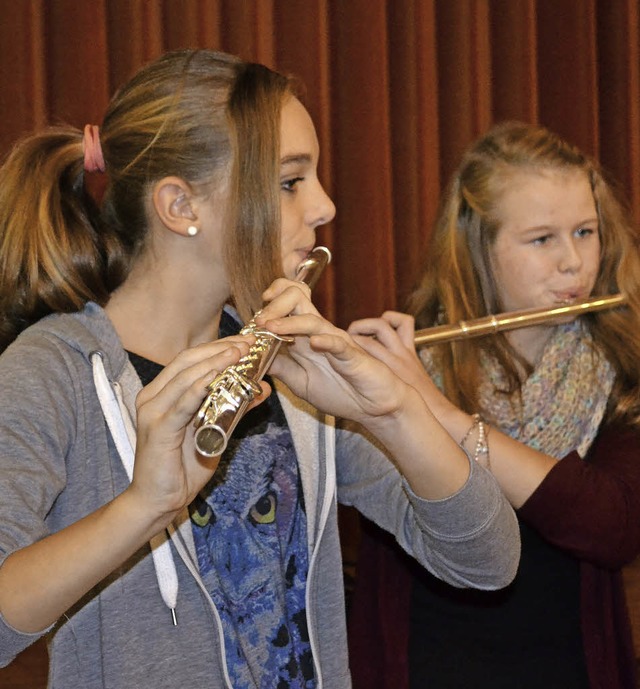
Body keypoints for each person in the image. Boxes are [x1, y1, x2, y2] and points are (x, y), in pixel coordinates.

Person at [0, 50, 519, 689]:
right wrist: (145, 506)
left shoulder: (291, 364)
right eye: (290, 181)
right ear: (180, 206)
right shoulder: (54, 372)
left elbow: (487, 560)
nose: (325, 205)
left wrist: (393, 412)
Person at [347, 120, 640, 688]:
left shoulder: (623, 370)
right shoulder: (408, 369)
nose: (574, 263)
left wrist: (439, 416)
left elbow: (612, 525)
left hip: (569, 671)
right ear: (479, 247)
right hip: (423, 668)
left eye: (585, 232)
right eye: (542, 239)